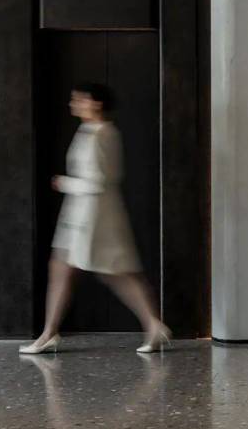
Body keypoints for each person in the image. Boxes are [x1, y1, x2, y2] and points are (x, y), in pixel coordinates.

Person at [19, 83, 171, 355]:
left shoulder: (102, 133)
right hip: (79, 214)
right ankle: (49, 333)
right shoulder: (88, 131)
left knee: (115, 271)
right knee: (64, 268)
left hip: (94, 215)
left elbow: (100, 181)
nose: (73, 104)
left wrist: (65, 183)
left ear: (96, 103)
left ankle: (153, 324)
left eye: (80, 99)